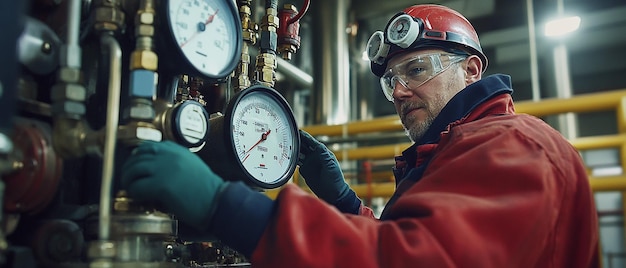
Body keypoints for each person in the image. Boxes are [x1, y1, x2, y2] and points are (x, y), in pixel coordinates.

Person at [121, 4, 599, 267]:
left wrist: (223, 205)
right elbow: (412, 243)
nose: (400, 91)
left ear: (472, 71)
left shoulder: (516, 147)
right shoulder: (448, 153)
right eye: (391, 80)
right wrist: (346, 204)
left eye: (417, 69)